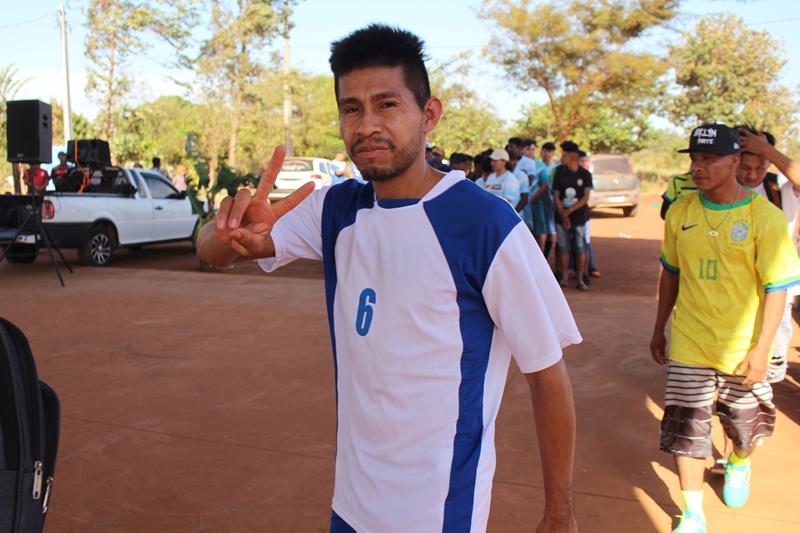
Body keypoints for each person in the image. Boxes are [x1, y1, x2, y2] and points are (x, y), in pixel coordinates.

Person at [197, 24, 581, 533]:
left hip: (439, 512)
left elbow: (547, 376)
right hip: (351, 504)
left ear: (429, 115)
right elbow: (211, 254)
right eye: (351, 108)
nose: (367, 124)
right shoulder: (336, 210)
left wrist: (560, 514)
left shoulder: (485, 225)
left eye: (387, 105)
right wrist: (229, 229)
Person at [650, 124, 800, 533]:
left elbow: (776, 289)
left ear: (735, 160)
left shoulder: (763, 217)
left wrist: (762, 347)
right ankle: (693, 510)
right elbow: (671, 274)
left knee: (743, 424)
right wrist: (659, 326)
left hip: (743, 346)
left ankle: (738, 461)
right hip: (690, 341)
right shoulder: (680, 213)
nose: (699, 167)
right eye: (695, 159)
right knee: (686, 425)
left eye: (709, 159)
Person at [736, 126, 800, 384]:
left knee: (771, 360)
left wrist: (766, 149)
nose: (752, 175)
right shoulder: (722, 191)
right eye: (745, 167)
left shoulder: (781, 187)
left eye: (760, 166)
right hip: (736, 290)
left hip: (776, 293)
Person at [552, 141, 592, 291]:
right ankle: (564, 278)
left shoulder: (585, 174)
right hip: (562, 217)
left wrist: (569, 212)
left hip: (579, 217)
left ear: (572, 158)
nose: (562, 158)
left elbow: (585, 198)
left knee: (581, 248)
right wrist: (563, 214)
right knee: (564, 248)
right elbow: (556, 195)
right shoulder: (559, 173)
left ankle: (581, 278)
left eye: (564, 155)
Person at [540, 142, 559, 261]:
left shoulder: (555, 169)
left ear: (553, 153)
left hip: (553, 205)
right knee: (542, 233)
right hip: (540, 204)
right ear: (541, 152)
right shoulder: (537, 166)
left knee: (553, 235)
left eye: (550, 151)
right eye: (545, 151)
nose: (547, 154)